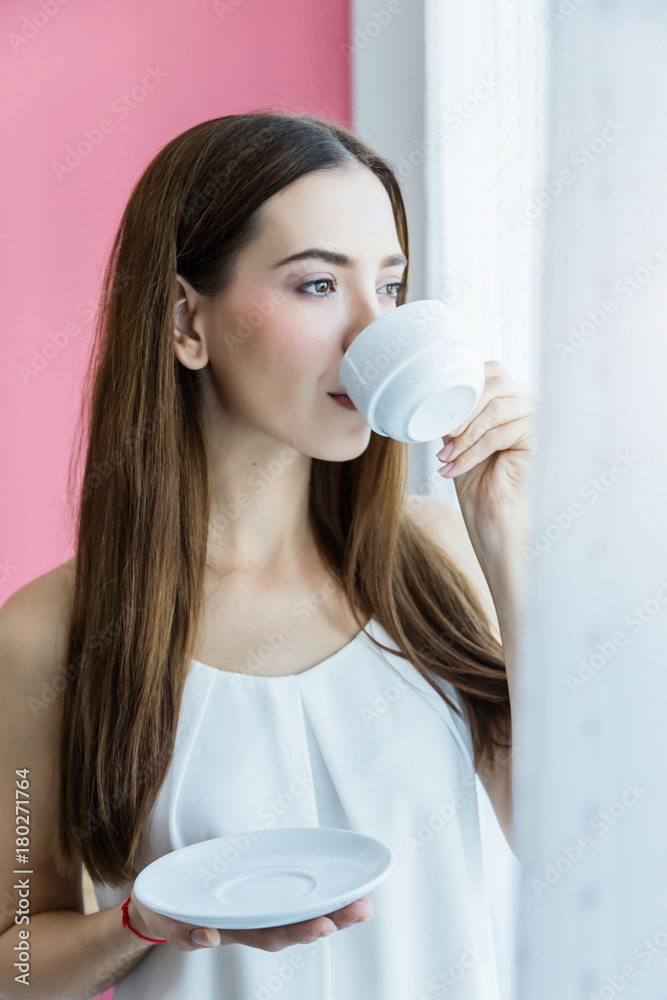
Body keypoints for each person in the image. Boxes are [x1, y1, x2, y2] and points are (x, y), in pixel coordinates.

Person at [0, 109, 533, 999]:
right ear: (185, 321)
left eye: (391, 288)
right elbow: (15, 959)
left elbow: (583, 851)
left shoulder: (441, 562)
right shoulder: (49, 633)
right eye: (318, 286)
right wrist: (143, 922)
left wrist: (510, 539)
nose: (373, 331)